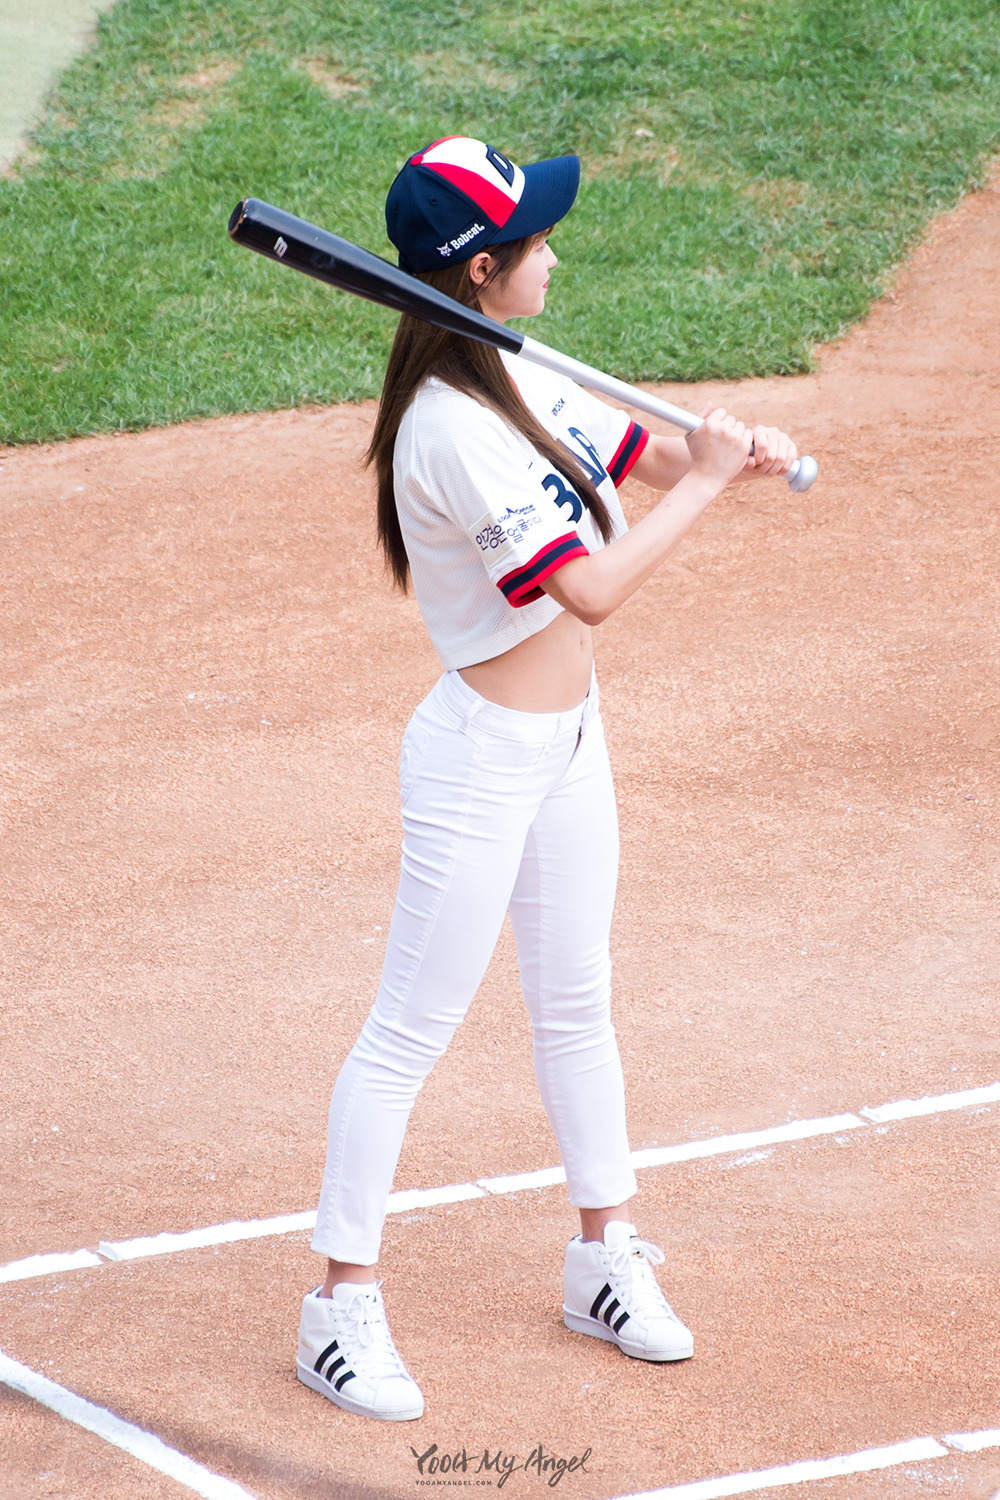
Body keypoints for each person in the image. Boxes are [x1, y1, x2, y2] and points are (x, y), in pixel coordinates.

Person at [296, 136, 797, 1422]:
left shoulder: (516, 369)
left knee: (577, 1003)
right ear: (480, 269)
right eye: (536, 239)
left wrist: (714, 450)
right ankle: (338, 1309)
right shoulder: (450, 428)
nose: (555, 254)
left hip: (569, 743)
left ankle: (601, 1259)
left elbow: (644, 461)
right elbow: (593, 589)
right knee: (409, 1032)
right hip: (479, 764)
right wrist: (713, 488)